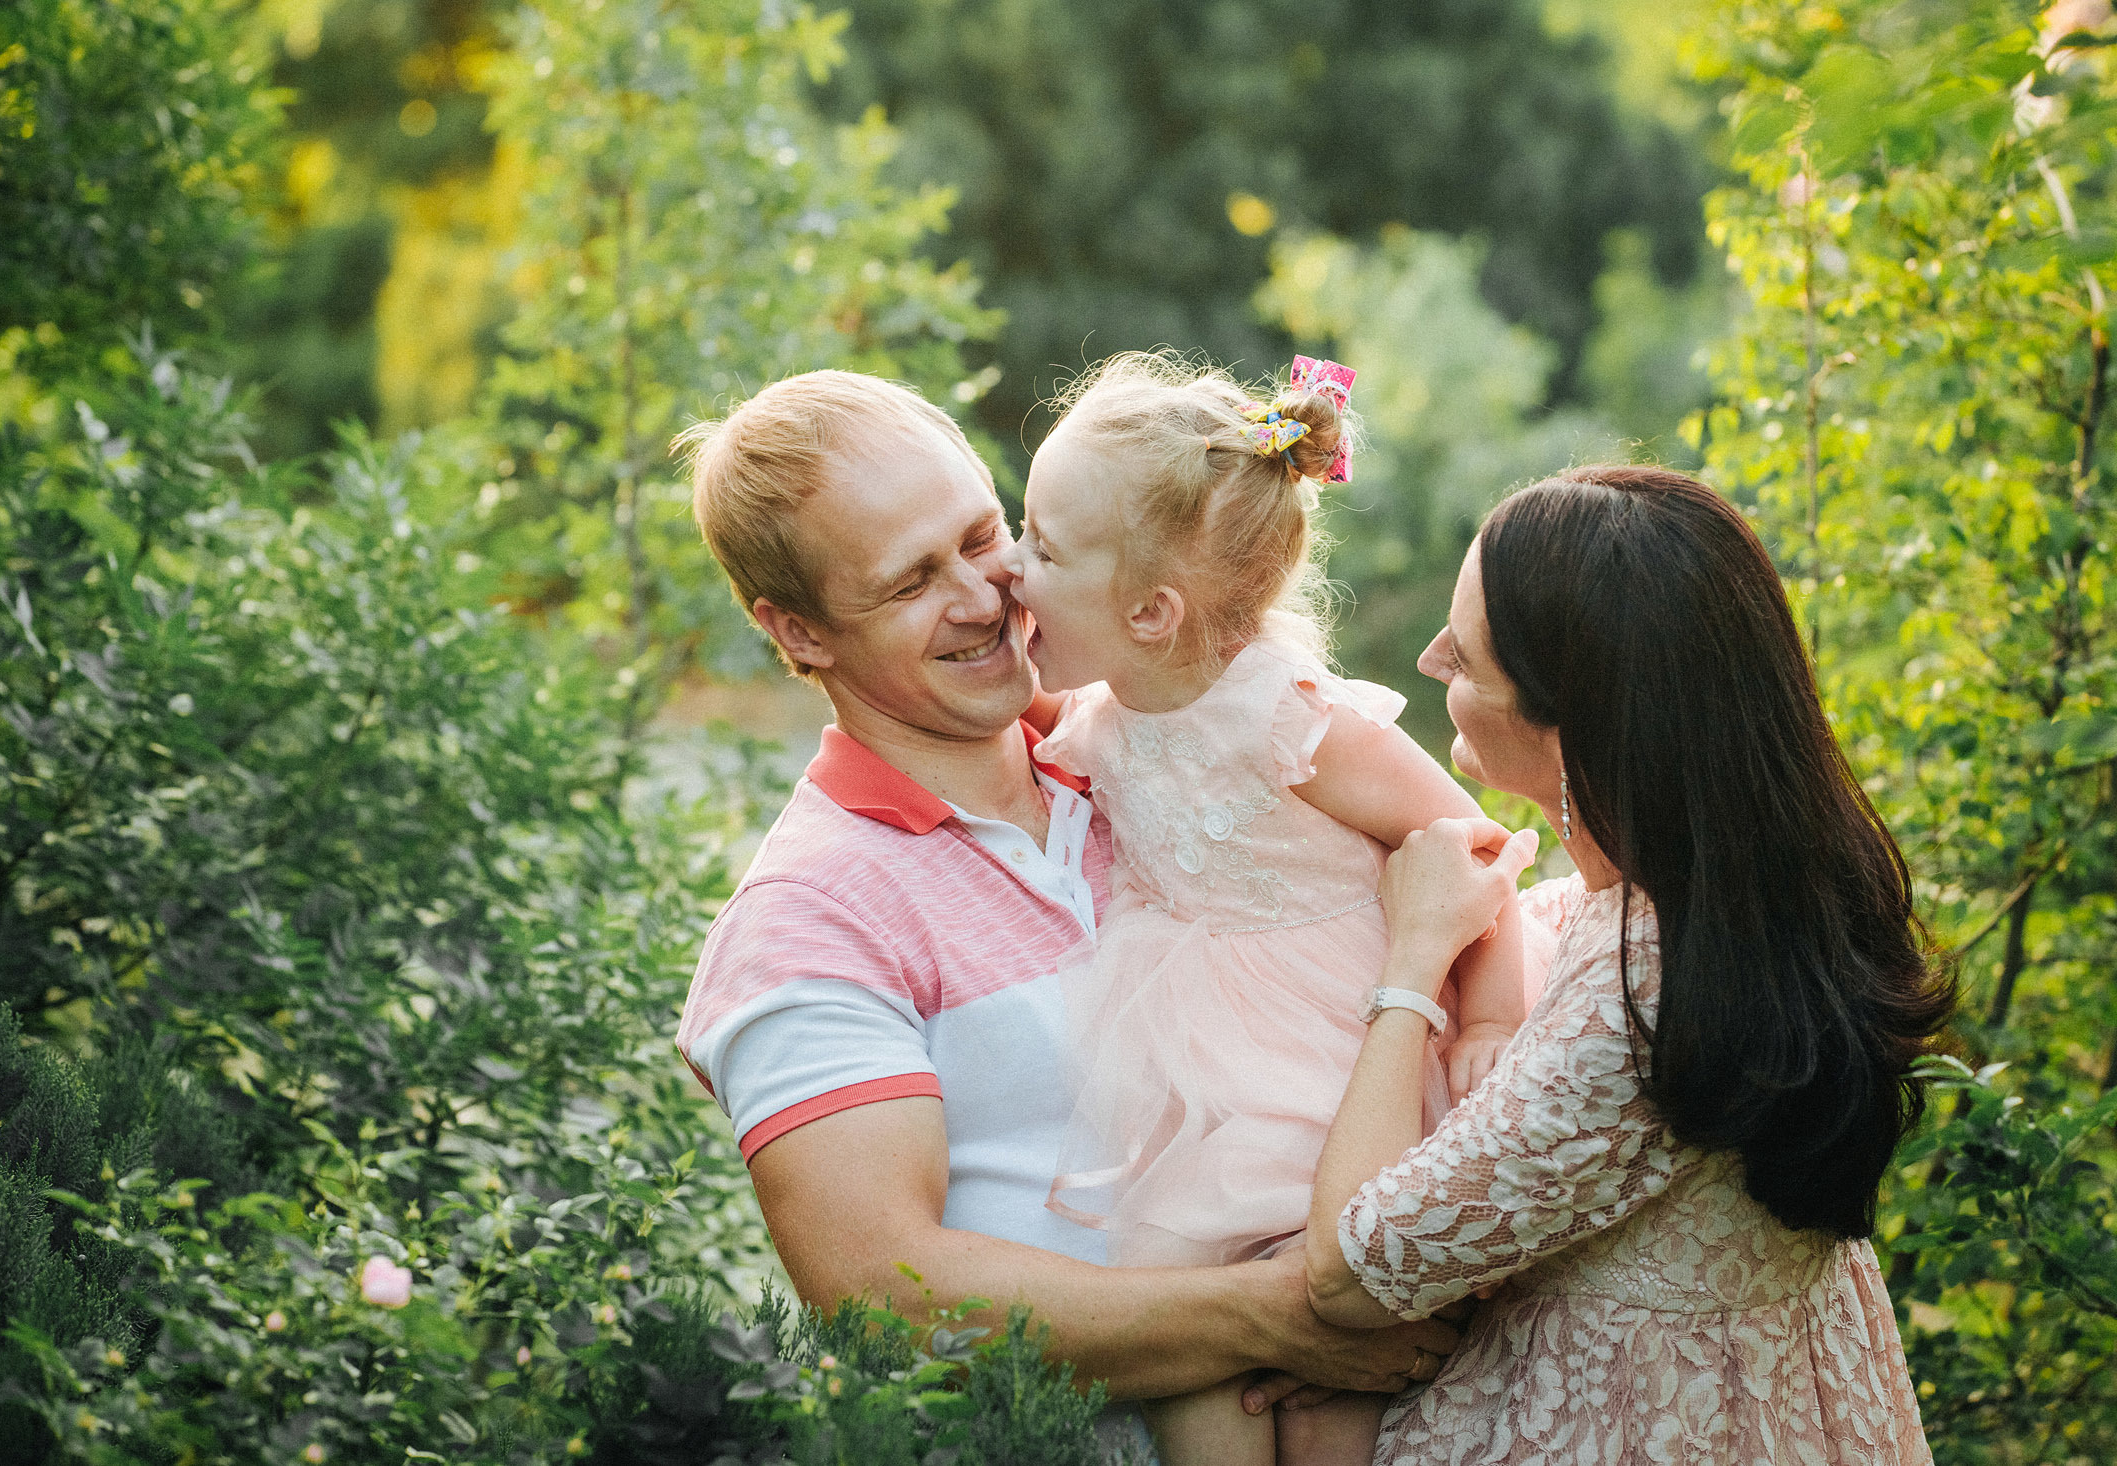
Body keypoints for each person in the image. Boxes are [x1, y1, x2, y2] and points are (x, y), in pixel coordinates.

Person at [670, 370, 1461, 1452]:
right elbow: (884, 1293)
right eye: (910, 582)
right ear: (798, 632)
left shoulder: (1161, 746)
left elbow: (1448, 884)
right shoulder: (807, 917)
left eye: (983, 534)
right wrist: (1280, 1313)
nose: (985, 595)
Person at [1303, 465, 1952, 1464]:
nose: (1432, 660)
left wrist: (1414, 956)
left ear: (1576, 724)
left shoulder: (1636, 989)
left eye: (1469, 657)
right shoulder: (1742, 905)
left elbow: (1349, 1268)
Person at [1003, 352, 1537, 1466]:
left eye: (1040, 546)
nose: (1009, 567)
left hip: (1338, 1072)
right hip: (1191, 1075)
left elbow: (1466, 847)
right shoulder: (1098, 714)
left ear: (1150, 610)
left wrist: (1488, 1021)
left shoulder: (1289, 719)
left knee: (1329, 1378)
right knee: (1199, 1357)